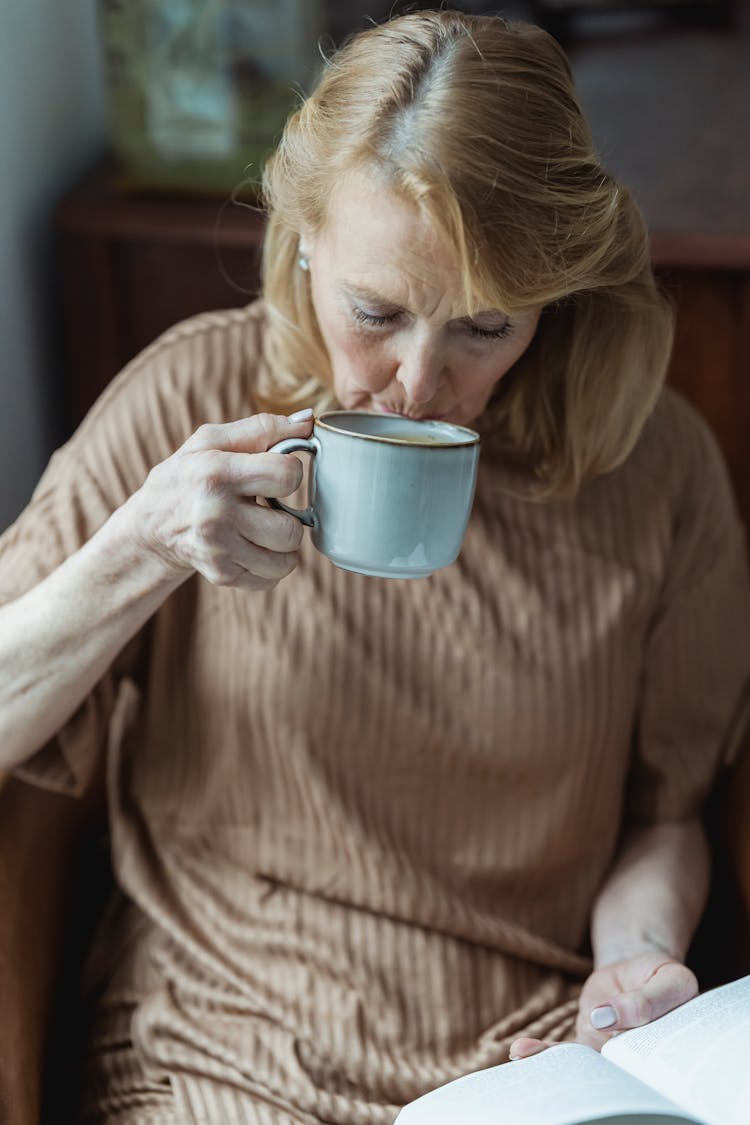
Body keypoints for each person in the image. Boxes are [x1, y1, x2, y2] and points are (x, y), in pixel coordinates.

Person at [1, 9, 749, 1124]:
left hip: (517, 1069)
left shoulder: (654, 473)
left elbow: (664, 814)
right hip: (224, 1050)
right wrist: (140, 546)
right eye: (376, 312)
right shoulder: (190, 405)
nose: (415, 384)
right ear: (304, 240)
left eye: (485, 328)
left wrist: (635, 960)